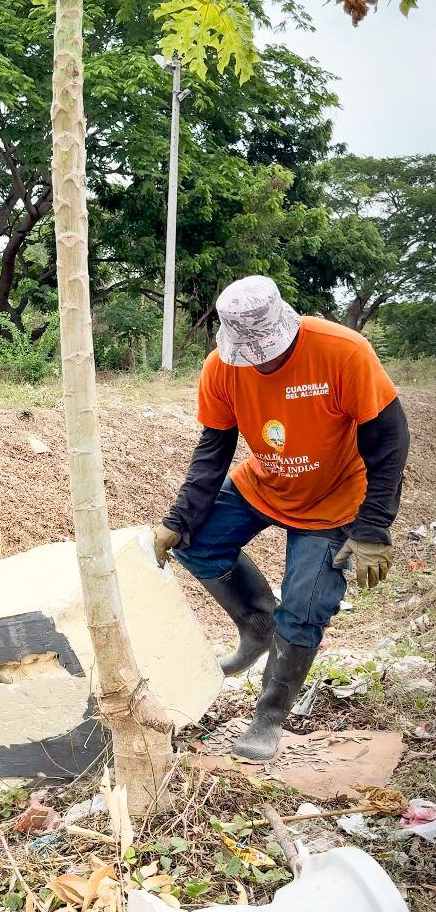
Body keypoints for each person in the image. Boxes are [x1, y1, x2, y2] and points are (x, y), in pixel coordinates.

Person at [153, 275, 410, 761]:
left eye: (267, 350)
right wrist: (179, 516)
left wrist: (374, 527)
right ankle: (256, 625)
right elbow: (214, 449)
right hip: (262, 484)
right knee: (196, 542)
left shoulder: (343, 352)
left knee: (305, 606)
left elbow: (389, 441)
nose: (260, 360)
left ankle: (269, 716)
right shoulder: (221, 369)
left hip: (334, 499)